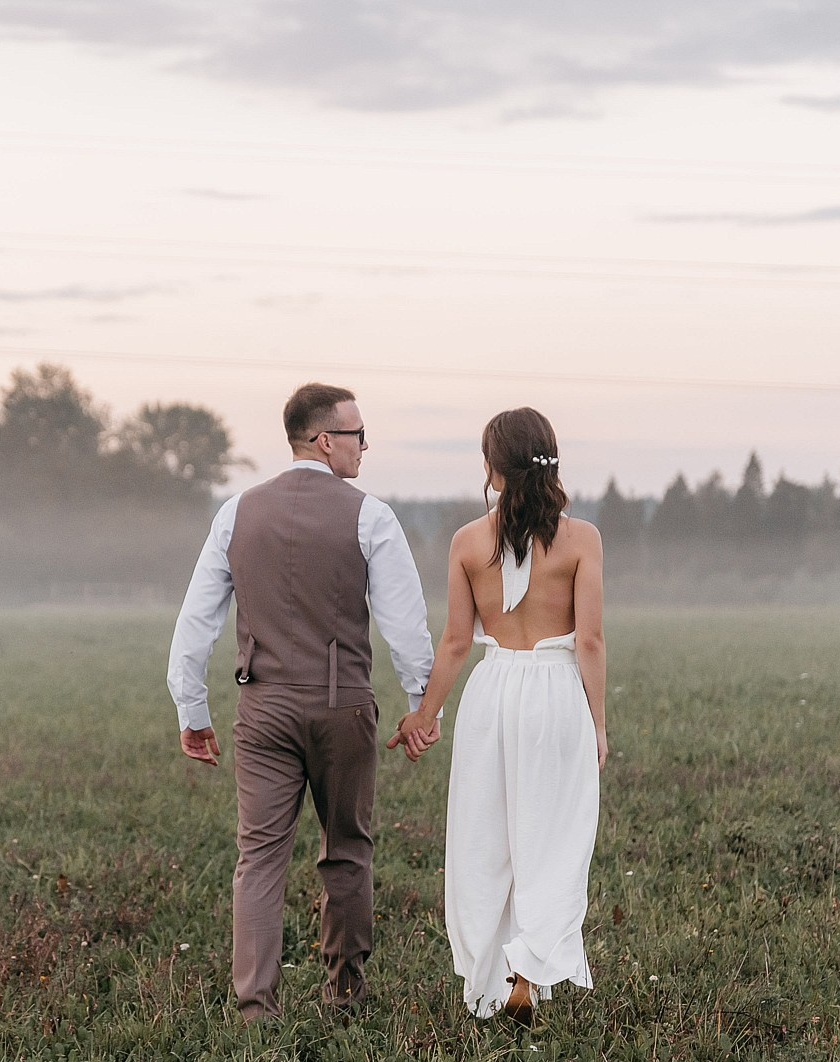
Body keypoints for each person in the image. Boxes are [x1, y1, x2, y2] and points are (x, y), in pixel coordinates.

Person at [167, 383, 436, 1023]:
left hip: (261, 707)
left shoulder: (236, 513)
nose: (364, 448)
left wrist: (193, 711)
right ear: (324, 440)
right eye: (357, 435)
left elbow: (194, 623)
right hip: (342, 705)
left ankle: (255, 1007)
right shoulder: (372, 516)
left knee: (258, 857)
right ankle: (343, 993)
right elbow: (406, 625)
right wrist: (423, 705)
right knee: (346, 846)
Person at [391, 407, 604, 1026]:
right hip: (557, 692)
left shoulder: (465, 542)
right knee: (554, 836)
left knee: (487, 836)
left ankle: (491, 980)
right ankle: (529, 970)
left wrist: (425, 715)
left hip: (491, 695)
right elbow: (589, 642)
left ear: (492, 467)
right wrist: (599, 722)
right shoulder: (581, 539)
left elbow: (456, 642)